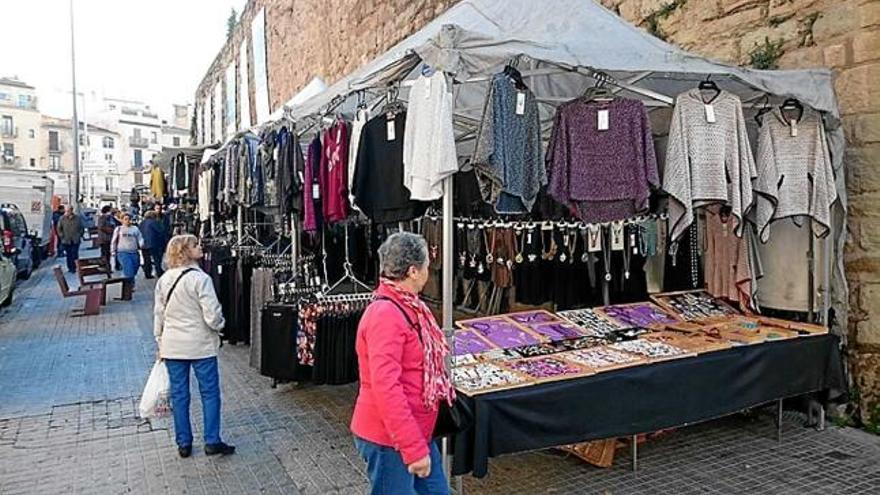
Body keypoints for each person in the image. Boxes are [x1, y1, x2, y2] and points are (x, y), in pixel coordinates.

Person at [350, 232, 455, 495]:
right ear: (413, 271)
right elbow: (386, 388)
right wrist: (413, 449)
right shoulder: (386, 314)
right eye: (427, 267)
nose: (428, 273)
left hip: (412, 432)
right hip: (391, 438)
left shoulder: (408, 306)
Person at [154, 234, 234, 459]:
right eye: (195, 245)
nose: (200, 247)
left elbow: (158, 314)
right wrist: (220, 327)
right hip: (200, 344)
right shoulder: (201, 279)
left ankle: (184, 442)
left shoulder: (165, 279)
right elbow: (212, 314)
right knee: (209, 393)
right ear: (185, 252)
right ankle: (212, 440)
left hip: (172, 345)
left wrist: (159, 340)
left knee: (180, 395)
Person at [110, 213, 144, 286]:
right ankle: (129, 285)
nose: (128, 221)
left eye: (129, 219)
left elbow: (140, 237)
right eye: (125, 219)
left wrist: (141, 244)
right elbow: (114, 241)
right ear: (122, 220)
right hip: (123, 252)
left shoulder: (135, 228)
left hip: (134, 252)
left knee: (135, 267)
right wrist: (113, 251)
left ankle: (126, 279)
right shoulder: (119, 229)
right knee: (129, 269)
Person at [139, 211, 168, 279]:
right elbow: (161, 231)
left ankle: (147, 273)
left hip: (144, 244)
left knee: (146, 259)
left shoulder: (142, 223)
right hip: (154, 243)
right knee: (157, 259)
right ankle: (159, 272)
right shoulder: (155, 222)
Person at [56, 205, 84, 273]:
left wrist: (80, 235)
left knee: (75, 253)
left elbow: (81, 227)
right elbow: (59, 228)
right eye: (66, 211)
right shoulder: (62, 218)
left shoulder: (77, 218)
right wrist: (61, 236)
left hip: (75, 239)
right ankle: (70, 267)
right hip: (66, 240)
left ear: (72, 210)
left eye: (69, 210)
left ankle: (75, 267)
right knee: (69, 254)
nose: (67, 212)